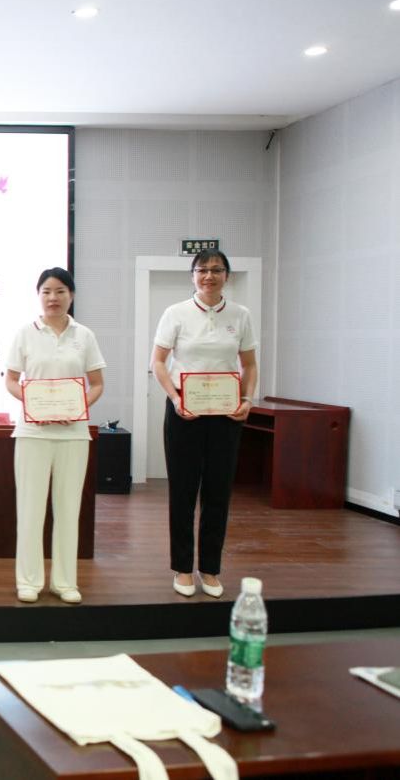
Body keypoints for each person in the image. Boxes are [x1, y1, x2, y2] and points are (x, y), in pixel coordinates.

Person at [151, 249, 258, 599]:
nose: (209, 276)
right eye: (202, 270)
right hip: (185, 409)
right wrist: (175, 398)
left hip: (226, 412)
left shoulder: (240, 315)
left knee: (218, 492)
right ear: (192, 275)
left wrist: (247, 399)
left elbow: (249, 364)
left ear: (227, 275)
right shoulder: (175, 313)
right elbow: (158, 362)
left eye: (216, 270)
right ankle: (183, 568)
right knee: (182, 491)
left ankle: (210, 569)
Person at [4, 268, 105, 604]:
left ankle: (64, 582)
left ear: (71, 295)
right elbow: (11, 380)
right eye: (46, 291)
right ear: (38, 296)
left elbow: (97, 384)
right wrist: (34, 403)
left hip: (73, 434)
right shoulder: (25, 333)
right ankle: (29, 580)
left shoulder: (84, 335)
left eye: (60, 291)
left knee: (68, 510)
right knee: (30, 509)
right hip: (32, 432)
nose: (53, 298)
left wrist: (76, 408)